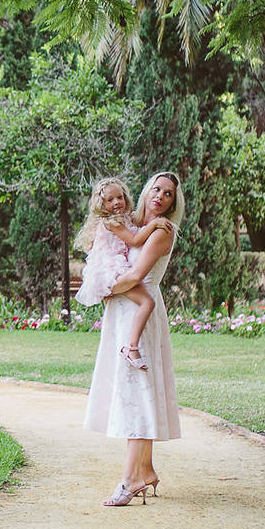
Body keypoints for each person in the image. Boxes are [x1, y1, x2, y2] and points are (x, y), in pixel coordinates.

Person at [83, 171, 184, 507]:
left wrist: (104, 289)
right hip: (124, 312)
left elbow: (135, 275)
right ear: (145, 191)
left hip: (139, 312)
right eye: (156, 188)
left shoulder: (161, 233)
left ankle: (130, 480)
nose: (160, 196)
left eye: (168, 194)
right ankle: (146, 470)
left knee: (136, 395)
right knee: (134, 391)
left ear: (173, 202)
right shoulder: (130, 223)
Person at [74, 177, 172, 370]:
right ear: (102, 205)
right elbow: (135, 240)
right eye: (110, 200)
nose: (117, 202)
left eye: (120, 197)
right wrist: (153, 225)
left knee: (144, 302)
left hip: (115, 266)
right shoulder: (111, 222)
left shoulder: (124, 219)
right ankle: (132, 347)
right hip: (112, 269)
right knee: (147, 302)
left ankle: (131, 347)